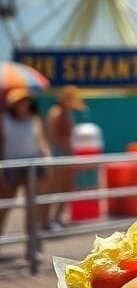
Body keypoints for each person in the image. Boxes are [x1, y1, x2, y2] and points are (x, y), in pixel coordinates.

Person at [0, 88, 52, 236]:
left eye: (26, 100)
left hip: (33, 166)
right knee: (4, 205)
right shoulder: (4, 120)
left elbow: (41, 142)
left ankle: (32, 244)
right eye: (19, 101)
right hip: (11, 166)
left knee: (32, 207)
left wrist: (47, 160)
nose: (23, 104)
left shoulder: (34, 119)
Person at [44, 86, 86, 224]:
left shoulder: (66, 112)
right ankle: (47, 220)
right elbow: (54, 136)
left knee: (67, 187)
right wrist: (69, 151)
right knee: (55, 187)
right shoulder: (55, 113)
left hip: (67, 154)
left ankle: (57, 217)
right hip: (58, 155)